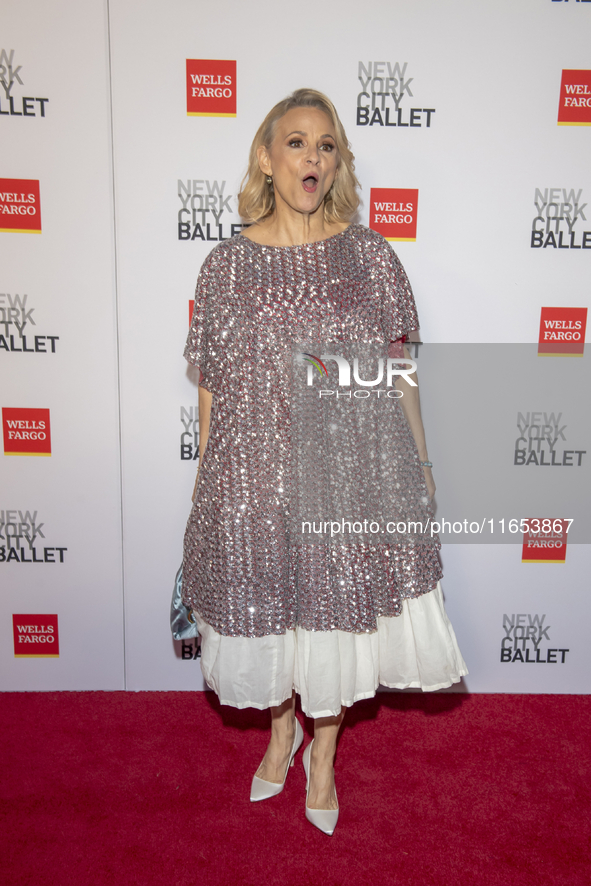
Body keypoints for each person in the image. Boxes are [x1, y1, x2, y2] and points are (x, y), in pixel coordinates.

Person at [182, 88, 467, 835]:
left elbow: (396, 369)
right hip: (252, 479)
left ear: (336, 162)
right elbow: (211, 383)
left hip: (345, 475)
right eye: (297, 142)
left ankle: (323, 755)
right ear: (267, 160)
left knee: (336, 624)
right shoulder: (224, 267)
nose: (313, 156)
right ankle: (281, 733)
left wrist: (424, 468)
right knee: (271, 618)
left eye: (326, 144)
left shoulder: (368, 255)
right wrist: (205, 481)